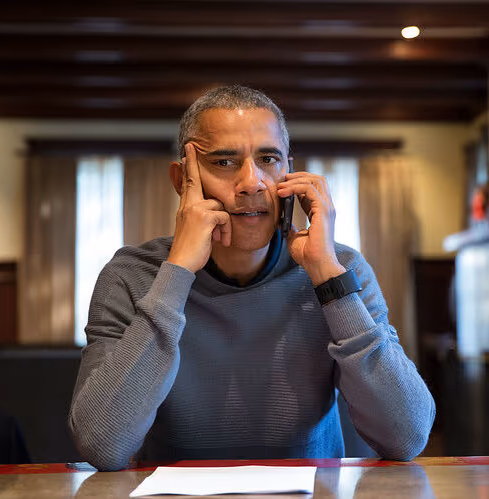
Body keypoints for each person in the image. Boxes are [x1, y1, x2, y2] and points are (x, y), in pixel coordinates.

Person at [68, 85, 435, 471]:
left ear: (289, 172)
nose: (252, 182)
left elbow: (407, 436)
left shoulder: (340, 268)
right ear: (182, 179)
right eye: (225, 162)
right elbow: (101, 445)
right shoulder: (130, 276)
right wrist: (177, 273)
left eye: (268, 159)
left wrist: (329, 279)